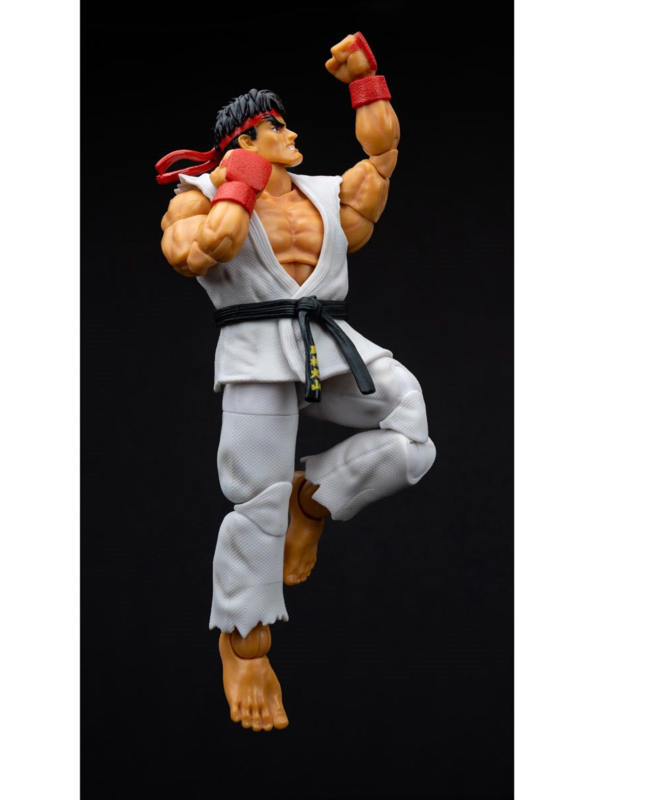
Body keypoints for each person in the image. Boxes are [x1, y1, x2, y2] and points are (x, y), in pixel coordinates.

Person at [156, 33, 436, 731]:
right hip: (254, 348)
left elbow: (382, 158)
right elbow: (199, 251)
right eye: (276, 126)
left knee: (411, 432)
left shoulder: (323, 194)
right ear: (245, 139)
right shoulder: (199, 196)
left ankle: (313, 500)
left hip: (327, 341)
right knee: (255, 501)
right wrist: (240, 182)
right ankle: (245, 646)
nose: (291, 133)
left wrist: (366, 81)